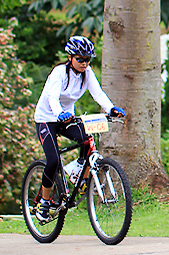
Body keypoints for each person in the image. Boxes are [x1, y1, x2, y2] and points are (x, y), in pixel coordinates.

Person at [33, 36, 125, 223]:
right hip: (47, 118)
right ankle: (44, 201)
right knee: (53, 160)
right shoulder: (59, 73)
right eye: (80, 59)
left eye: (88, 59)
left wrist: (111, 108)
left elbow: (97, 93)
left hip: (67, 117)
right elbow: (52, 97)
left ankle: (80, 175)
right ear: (70, 57)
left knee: (87, 139)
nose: (84, 63)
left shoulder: (87, 73)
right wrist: (59, 113)